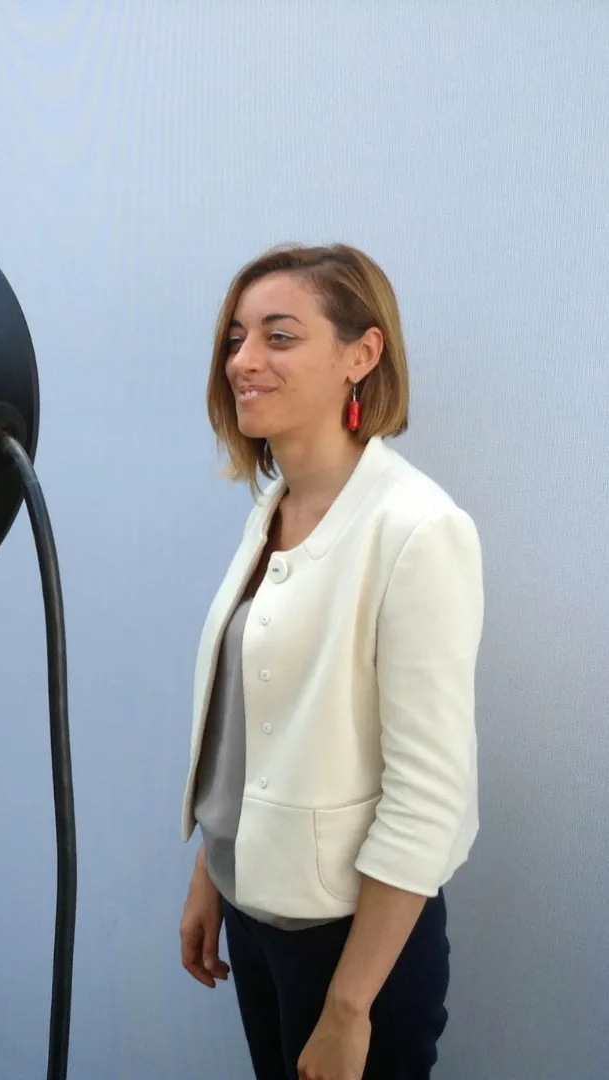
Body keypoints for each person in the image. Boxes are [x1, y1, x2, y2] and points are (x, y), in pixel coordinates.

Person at [176, 244, 484, 1080]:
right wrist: (214, 872)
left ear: (362, 353)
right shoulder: (276, 508)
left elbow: (429, 797)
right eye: (236, 338)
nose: (242, 360)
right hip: (256, 917)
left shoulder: (417, 530)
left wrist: (349, 1009)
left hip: (355, 950)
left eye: (278, 336)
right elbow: (266, 726)